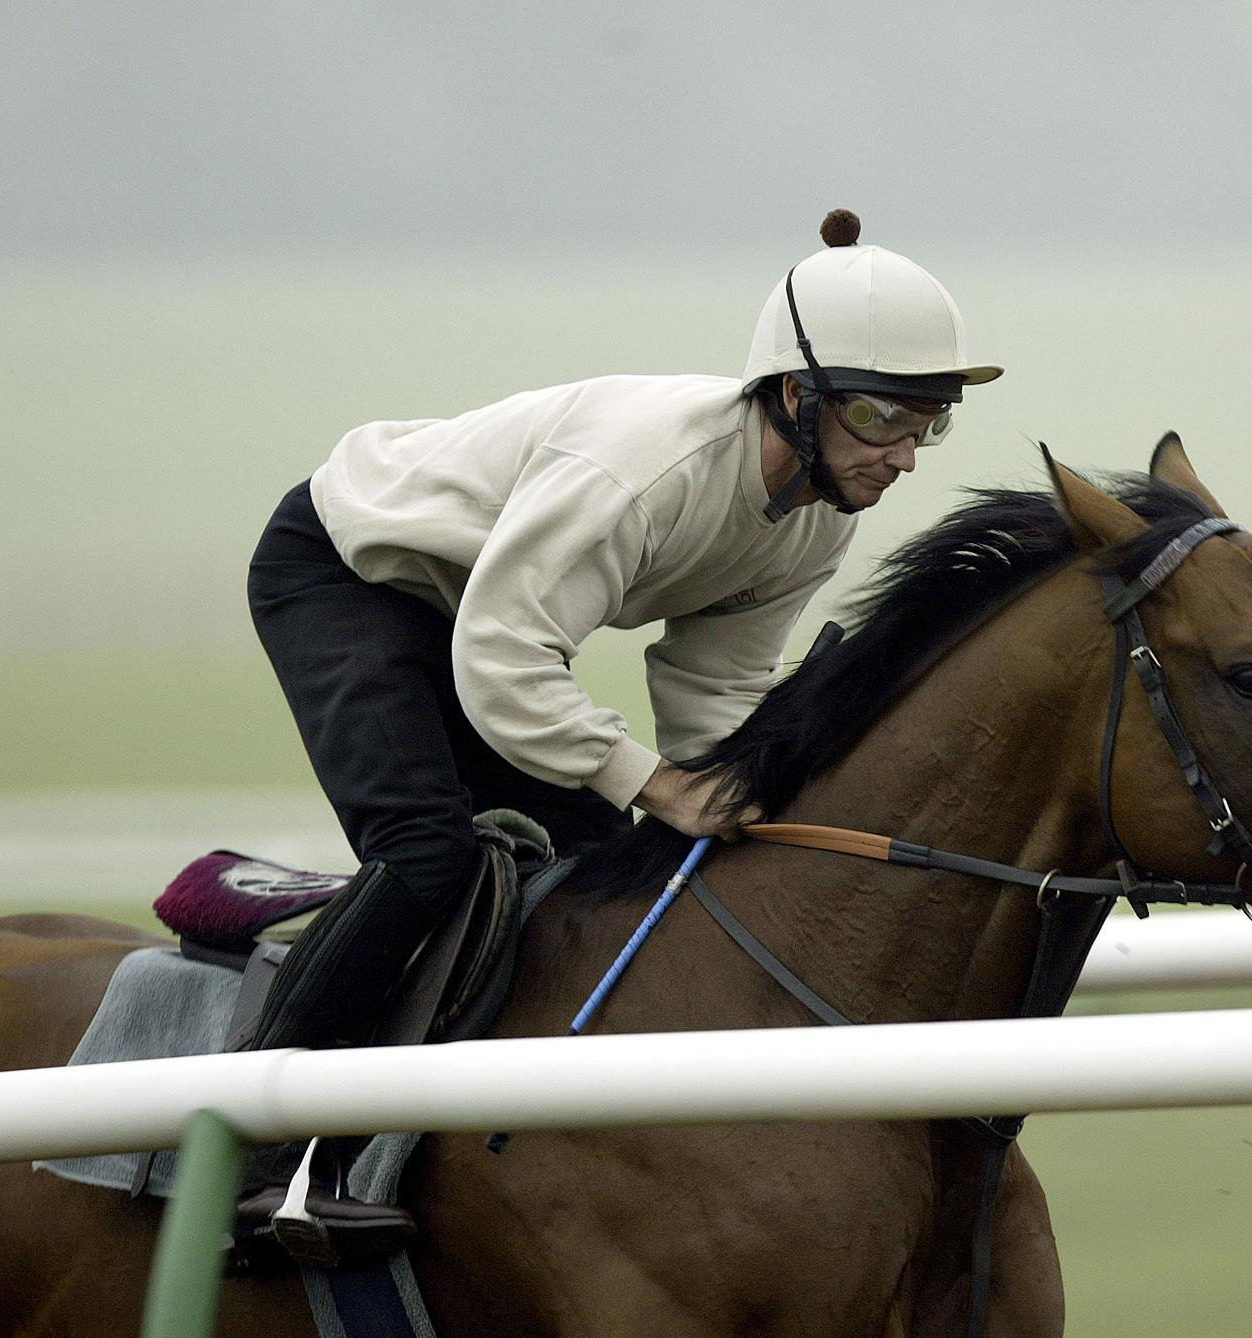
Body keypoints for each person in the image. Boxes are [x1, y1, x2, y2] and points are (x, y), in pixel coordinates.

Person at [233, 210, 999, 1260]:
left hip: (474, 617)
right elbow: (503, 661)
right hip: (349, 573)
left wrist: (749, 793)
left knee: (597, 870)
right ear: (792, 394)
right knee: (426, 856)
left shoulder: (820, 511)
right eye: (879, 418)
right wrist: (657, 785)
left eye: (927, 423)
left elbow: (710, 683)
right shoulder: (643, 471)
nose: (904, 457)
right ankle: (254, 1159)